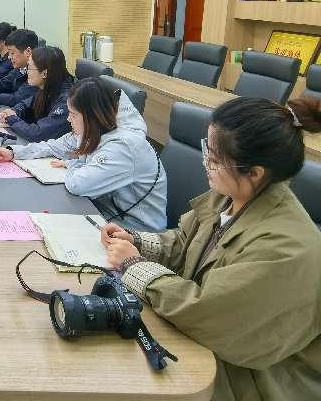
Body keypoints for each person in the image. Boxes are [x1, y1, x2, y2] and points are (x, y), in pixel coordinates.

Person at [100, 96, 321, 401]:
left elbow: (206, 311)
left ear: (255, 172)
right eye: (207, 150)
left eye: (215, 159)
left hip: (248, 379)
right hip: (204, 341)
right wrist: (135, 241)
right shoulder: (232, 194)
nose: (205, 163)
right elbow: (185, 244)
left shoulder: (286, 249)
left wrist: (134, 266)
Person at [0, 78, 166, 232]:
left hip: (135, 229)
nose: (68, 119)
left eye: (73, 115)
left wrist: (73, 163)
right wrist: (14, 152)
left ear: (92, 116)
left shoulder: (124, 146)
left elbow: (77, 184)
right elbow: (55, 146)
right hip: (104, 209)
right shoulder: (97, 128)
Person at [0, 46, 73, 142]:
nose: (27, 72)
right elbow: (26, 104)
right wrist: (14, 111)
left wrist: (12, 119)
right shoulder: (47, 88)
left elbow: (37, 133)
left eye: (29, 68)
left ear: (44, 73)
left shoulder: (67, 101)